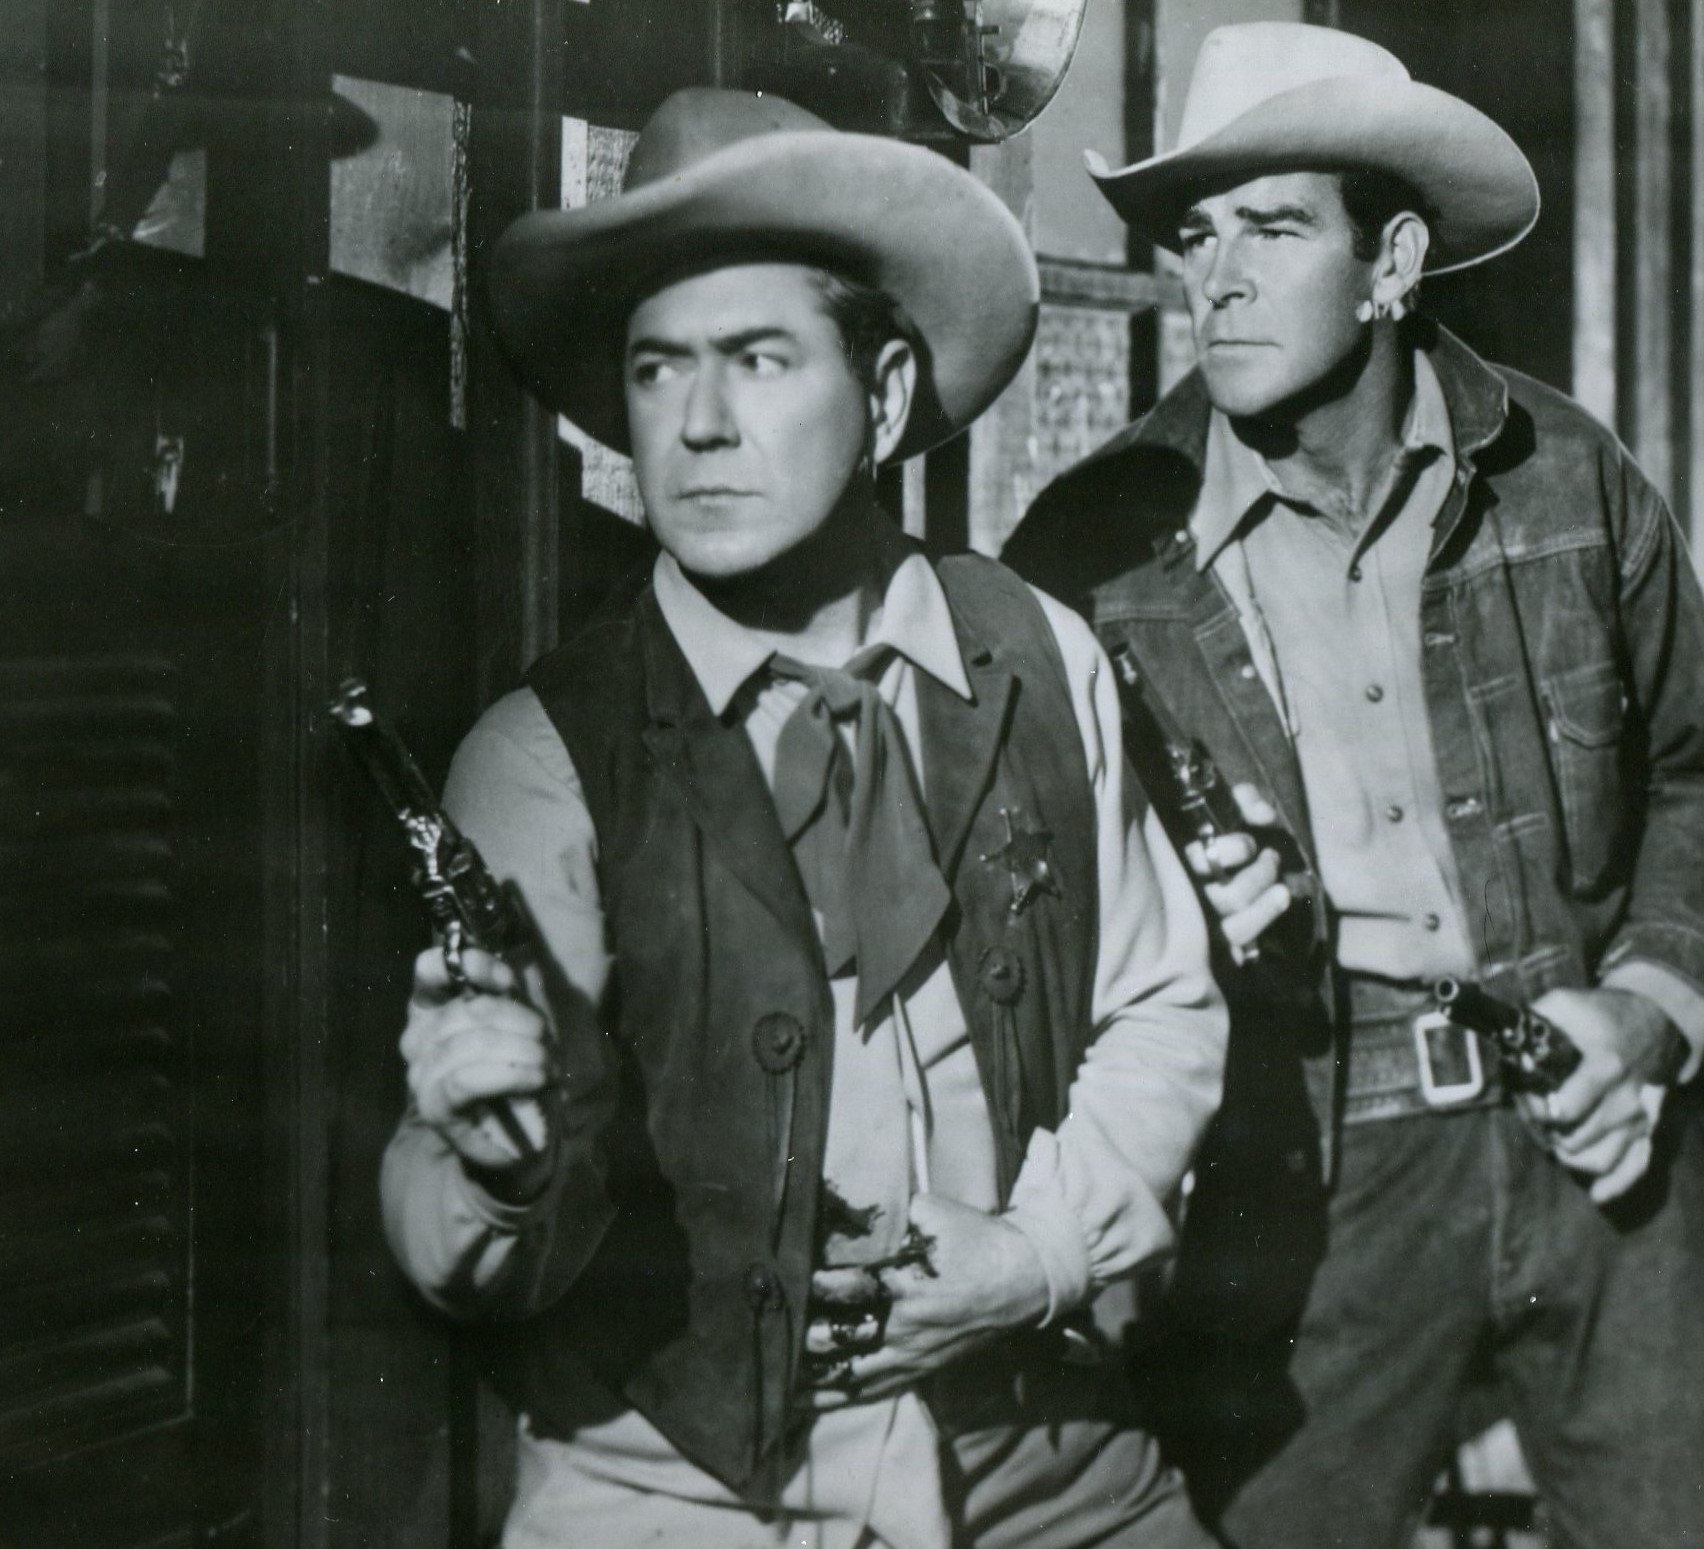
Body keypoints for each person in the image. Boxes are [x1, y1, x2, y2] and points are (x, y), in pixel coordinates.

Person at [380, 87, 1228, 1549]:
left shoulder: (1038, 656)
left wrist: (1035, 1254)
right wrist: (497, 1168)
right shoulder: (543, 757)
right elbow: (465, 1227)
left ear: (883, 397)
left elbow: (1161, 1008)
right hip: (681, 1497)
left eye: (759, 360)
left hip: (1051, 1473)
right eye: (658, 369)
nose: (699, 425)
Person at [1004, 24, 1704, 1549]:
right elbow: (1027, 920)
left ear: (1392, 261)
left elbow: (1702, 775)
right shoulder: (1093, 555)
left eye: (1273, 229)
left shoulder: (1567, 475)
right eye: (1197, 236)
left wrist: (1646, 1011)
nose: (1216, 279)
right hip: (1301, 1163)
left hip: (1595, 1126)